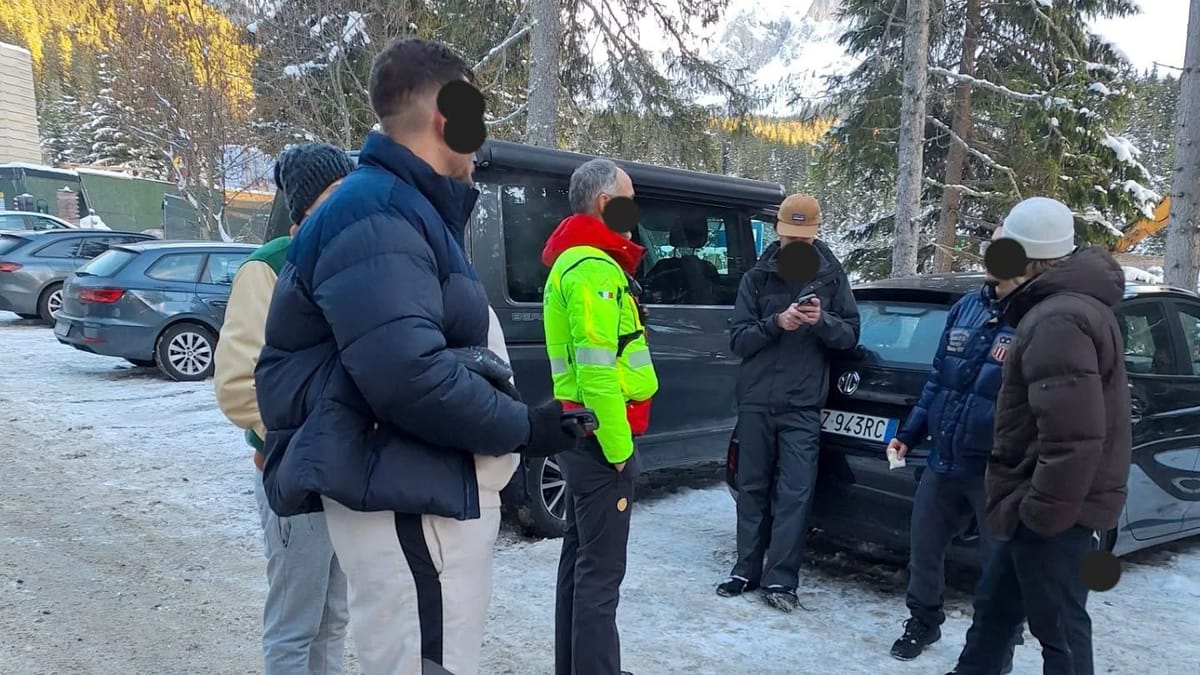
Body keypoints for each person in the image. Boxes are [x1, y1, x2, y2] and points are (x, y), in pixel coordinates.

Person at [251, 38, 581, 675]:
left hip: (416, 493)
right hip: (406, 501)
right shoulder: (375, 213)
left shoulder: (401, 211)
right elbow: (406, 376)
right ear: (446, 117)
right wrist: (525, 427)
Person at [946, 197, 1132, 675]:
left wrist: (1041, 516)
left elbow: (1073, 439)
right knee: (995, 614)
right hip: (1036, 504)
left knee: (1060, 635)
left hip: (1052, 511)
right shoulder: (1058, 310)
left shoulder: (1057, 319)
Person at [213, 142, 353, 675]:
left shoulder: (352, 263)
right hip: (295, 473)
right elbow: (236, 385)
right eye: (337, 196)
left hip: (344, 474)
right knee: (295, 625)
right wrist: (307, 439)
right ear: (305, 207)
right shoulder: (268, 269)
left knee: (334, 617)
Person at [885, 225, 1023, 666]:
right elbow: (938, 380)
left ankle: (998, 644)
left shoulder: (1034, 317)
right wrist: (908, 434)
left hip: (996, 466)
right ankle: (923, 621)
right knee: (924, 543)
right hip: (945, 456)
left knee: (999, 561)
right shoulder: (965, 307)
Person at [542, 157, 659, 675]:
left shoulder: (578, 262)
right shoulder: (592, 268)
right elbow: (596, 372)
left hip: (580, 436)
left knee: (580, 560)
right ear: (606, 204)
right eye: (629, 199)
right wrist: (620, 450)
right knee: (600, 574)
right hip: (599, 441)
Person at [717, 193, 860, 612]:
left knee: (795, 494)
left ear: (814, 234)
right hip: (757, 400)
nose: (794, 242)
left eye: (803, 236)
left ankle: (781, 581)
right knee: (752, 489)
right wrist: (775, 323)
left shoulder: (832, 278)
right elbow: (738, 340)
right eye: (789, 235)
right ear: (778, 230)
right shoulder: (757, 278)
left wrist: (823, 322)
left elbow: (851, 335)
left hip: (802, 405)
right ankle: (746, 570)